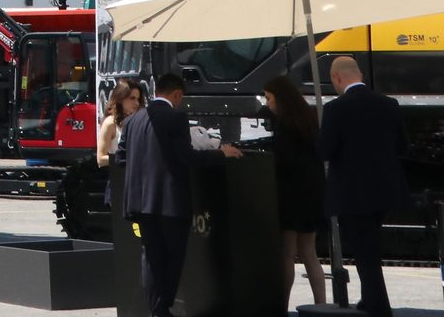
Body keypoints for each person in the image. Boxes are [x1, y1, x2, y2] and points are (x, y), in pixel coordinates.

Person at [120, 72, 241, 317]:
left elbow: (122, 156)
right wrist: (221, 154)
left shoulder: (133, 120)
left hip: (139, 201)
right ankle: (164, 305)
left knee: (151, 255)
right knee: (173, 256)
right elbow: (187, 157)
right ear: (177, 94)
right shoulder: (175, 117)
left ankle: (157, 309)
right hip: (169, 202)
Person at [321, 55, 406, 317]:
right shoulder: (389, 104)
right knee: (368, 247)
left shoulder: (335, 108)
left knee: (364, 252)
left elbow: (325, 150)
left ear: (336, 78)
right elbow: (403, 146)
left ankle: (379, 307)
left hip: (352, 193)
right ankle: (371, 299)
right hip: (385, 191)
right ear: (360, 75)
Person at [263, 74, 326, 308]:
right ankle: (321, 304)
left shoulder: (286, 125)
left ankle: (283, 305)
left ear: (281, 99)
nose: (267, 104)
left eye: (269, 98)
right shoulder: (308, 119)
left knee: (287, 252)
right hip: (312, 192)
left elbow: (284, 161)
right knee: (309, 252)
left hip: (292, 195)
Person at [97, 78, 146, 167]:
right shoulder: (110, 123)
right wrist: (126, 159)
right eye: (132, 98)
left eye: (138, 99)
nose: (137, 103)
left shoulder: (140, 121)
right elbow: (100, 159)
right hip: (119, 177)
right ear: (120, 98)